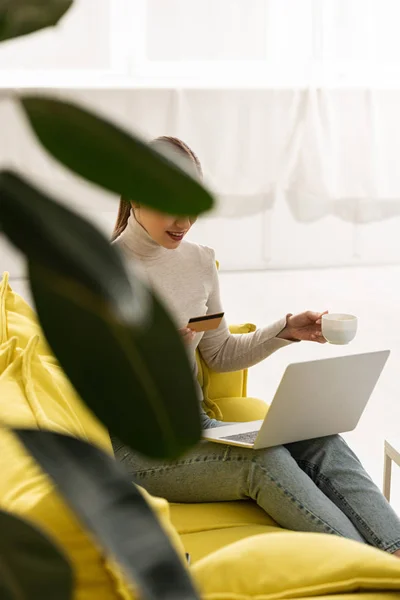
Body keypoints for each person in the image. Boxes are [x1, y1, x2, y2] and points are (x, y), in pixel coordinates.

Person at [111, 135, 400, 556]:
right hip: (141, 449)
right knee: (264, 462)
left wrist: (285, 331)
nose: (184, 221)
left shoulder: (198, 262)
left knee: (319, 439)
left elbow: (220, 354)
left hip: (199, 427)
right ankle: (370, 566)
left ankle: (394, 548)